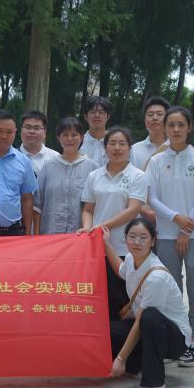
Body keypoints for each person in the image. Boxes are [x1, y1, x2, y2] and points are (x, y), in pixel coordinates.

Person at [145, 105, 194, 367]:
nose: (175, 130)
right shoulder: (156, 161)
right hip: (165, 235)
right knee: (170, 289)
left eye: (180, 125)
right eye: (171, 125)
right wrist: (175, 219)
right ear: (164, 128)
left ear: (189, 127)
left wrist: (186, 229)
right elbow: (152, 199)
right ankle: (175, 339)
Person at [102, 217, 192, 388]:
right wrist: (106, 244)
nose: (137, 242)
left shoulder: (156, 276)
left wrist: (120, 359)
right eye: (132, 236)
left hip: (174, 339)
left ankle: (155, 381)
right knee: (108, 331)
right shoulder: (130, 259)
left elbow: (141, 322)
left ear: (153, 241)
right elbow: (120, 270)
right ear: (125, 239)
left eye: (143, 237)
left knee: (149, 316)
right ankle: (137, 366)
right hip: (148, 326)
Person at [80, 126, 147, 318]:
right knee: (98, 300)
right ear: (105, 148)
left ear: (129, 148)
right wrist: (87, 229)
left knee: (122, 301)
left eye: (122, 143)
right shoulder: (94, 176)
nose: (117, 148)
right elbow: (88, 210)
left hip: (125, 248)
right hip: (97, 247)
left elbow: (133, 210)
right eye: (112, 143)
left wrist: (102, 227)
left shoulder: (138, 176)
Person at [34, 117, 96, 235]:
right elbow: (37, 205)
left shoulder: (92, 168)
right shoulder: (48, 167)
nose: (69, 139)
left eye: (74, 135)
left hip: (81, 235)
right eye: (65, 135)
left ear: (82, 137)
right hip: (50, 234)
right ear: (58, 138)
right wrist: (36, 236)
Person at [130, 96, 169, 170]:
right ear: (145, 119)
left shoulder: (177, 147)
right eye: (150, 114)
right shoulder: (134, 150)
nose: (155, 118)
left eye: (159, 114)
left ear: (168, 118)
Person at [18, 109, 59, 177]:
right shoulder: (12, 157)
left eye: (36, 128)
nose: (32, 131)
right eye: (28, 127)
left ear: (45, 132)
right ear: (21, 130)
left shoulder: (55, 158)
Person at [78, 96, 111, 167]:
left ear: (108, 117)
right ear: (86, 116)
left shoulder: (115, 142)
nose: (97, 115)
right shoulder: (78, 142)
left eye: (101, 112)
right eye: (92, 112)